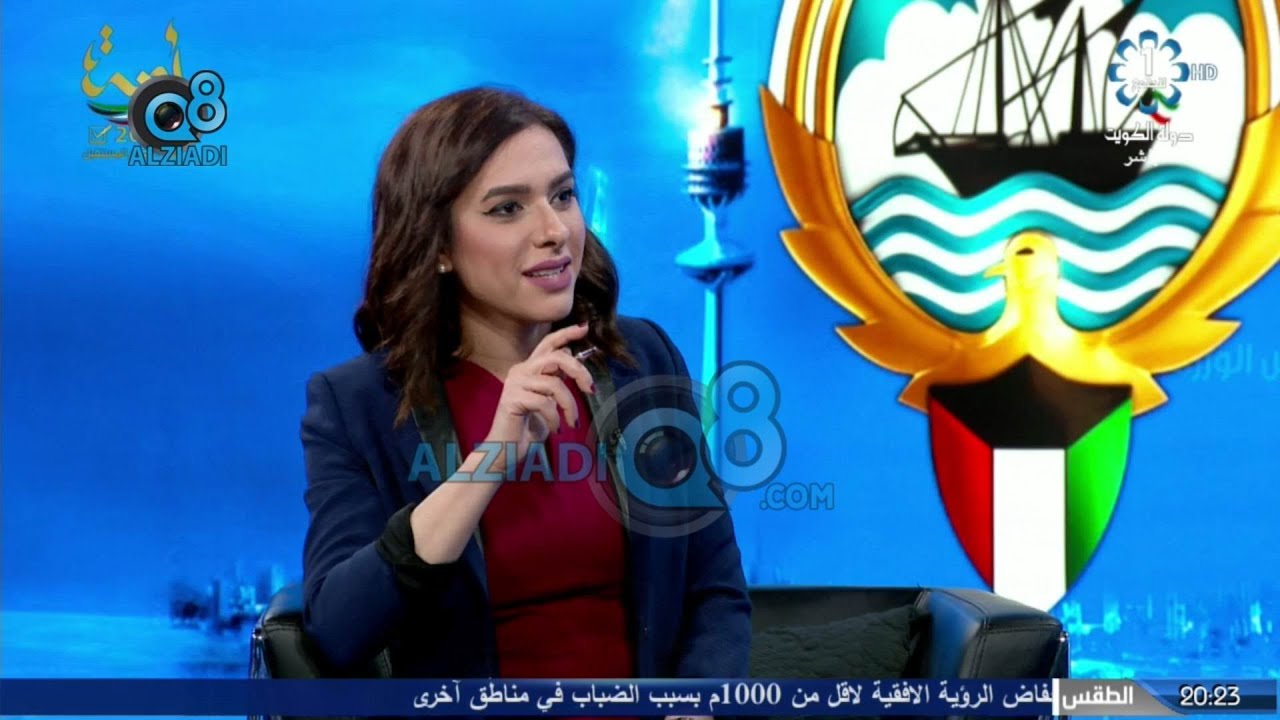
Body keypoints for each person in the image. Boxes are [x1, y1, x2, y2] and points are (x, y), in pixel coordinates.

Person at [299, 87, 752, 695]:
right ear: (438, 246)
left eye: (562, 196)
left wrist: (694, 703)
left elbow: (714, 586)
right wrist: (490, 461)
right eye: (508, 209)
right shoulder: (356, 405)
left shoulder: (640, 360)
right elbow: (337, 629)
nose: (554, 231)